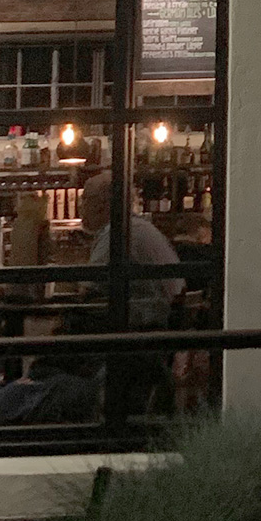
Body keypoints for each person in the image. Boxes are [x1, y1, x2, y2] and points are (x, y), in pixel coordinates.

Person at [80, 170, 186, 420]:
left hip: (132, 351)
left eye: (85, 200)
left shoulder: (119, 234)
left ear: (104, 204)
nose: (80, 207)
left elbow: (88, 291)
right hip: (151, 347)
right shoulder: (139, 229)